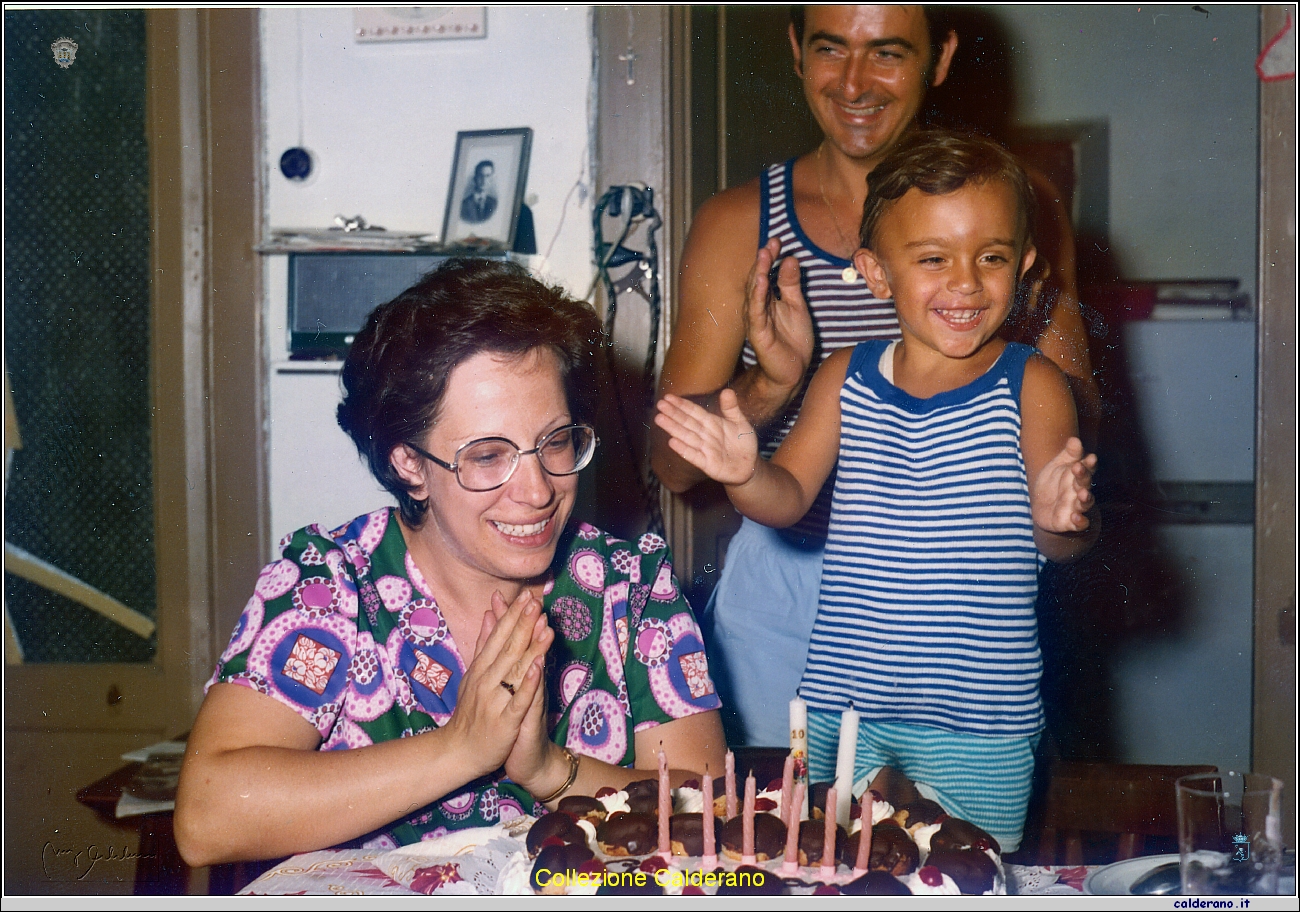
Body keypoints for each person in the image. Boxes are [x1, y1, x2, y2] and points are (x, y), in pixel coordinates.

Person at [175, 259, 726, 866]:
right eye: (488, 456)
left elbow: (712, 811)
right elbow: (207, 817)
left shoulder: (630, 585)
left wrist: (549, 769)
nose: (538, 490)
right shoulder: (329, 586)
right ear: (410, 464)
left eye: (556, 442)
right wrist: (462, 749)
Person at [651, 5, 1098, 748]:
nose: (856, 83)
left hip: (962, 586)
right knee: (793, 835)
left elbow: (1074, 414)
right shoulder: (741, 222)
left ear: (941, 56)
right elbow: (671, 463)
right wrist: (774, 383)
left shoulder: (1018, 205)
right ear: (797, 50)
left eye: (888, 52)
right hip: (788, 574)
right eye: (833, 49)